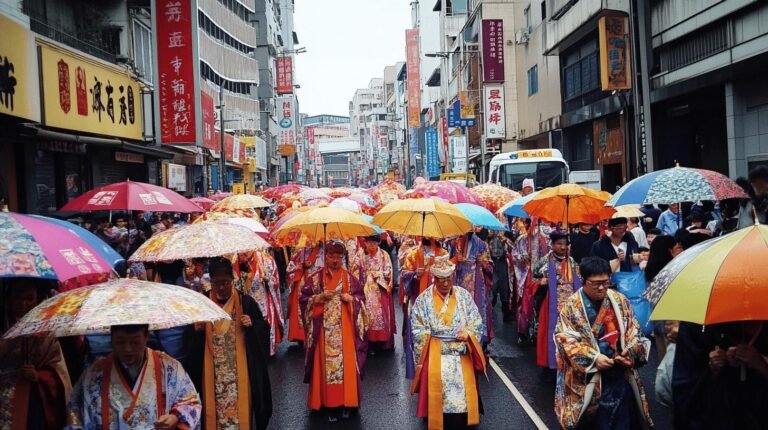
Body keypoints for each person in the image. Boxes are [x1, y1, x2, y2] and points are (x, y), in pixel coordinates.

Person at [554, 257, 654, 430]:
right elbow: (564, 339)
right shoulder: (571, 306)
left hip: (618, 373)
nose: (601, 287)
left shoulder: (620, 300)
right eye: (595, 283)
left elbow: (634, 331)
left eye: (606, 282)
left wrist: (630, 354)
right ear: (583, 280)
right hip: (587, 378)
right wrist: (594, 358)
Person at [183, 257, 273, 430]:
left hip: (240, 372)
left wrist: (253, 325)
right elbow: (187, 340)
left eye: (225, 282)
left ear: (233, 279)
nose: (222, 287)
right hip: (212, 373)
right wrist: (195, 330)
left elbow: (264, 329)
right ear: (211, 281)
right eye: (217, 283)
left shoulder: (245, 302)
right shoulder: (202, 303)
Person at [66, 324, 201, 429]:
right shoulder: (94, 374)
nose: (127, 349)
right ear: (111, 338)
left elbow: (191, 402)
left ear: (146, 336)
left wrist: (175, 417)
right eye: (120, 342)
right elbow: (75, 414)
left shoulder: (168, 367)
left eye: (135, 342)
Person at [410, 256, 486, 430]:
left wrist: (468, 333)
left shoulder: (463, 295)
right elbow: (417, 328)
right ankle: (435, 415)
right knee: (438, 388)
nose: (445, 284)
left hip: (461, 350)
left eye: (448, 279)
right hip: (436, 351)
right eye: (441, 279)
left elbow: (476, 320)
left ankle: (464, 415)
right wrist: (430, 340)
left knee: (462, 392)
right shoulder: (423, 300)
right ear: (434, 278)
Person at [300, 240, 367, 423]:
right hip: (323, 330)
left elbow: (361, 299)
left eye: (338, 256)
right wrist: (319, 297)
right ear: (326, 257)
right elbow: (304, 299)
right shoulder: (315, 279)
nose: (335, 260)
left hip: (344, 329)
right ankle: (328, 403)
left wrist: (351, 300)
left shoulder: (349, 278)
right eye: (331, 256)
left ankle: (347, 402)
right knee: (326, 365)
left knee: (345, 366)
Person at [1, 280, 72, 430]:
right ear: (8, 299)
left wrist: (38, 376)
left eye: (29, 298)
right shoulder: (4, 326)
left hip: (33, 399)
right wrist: (12, 339)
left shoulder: (46, 330)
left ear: (37, 299)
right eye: (17, 298)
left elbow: (58, 372)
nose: (22, 304)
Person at [672, 321, 768, 429]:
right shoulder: (698, 326)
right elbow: (687, 381)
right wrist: (716, 366)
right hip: (719, 412)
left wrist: (760, 364)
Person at [532, 230, 582, 370]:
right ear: (552, 245)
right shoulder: (544, 261)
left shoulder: (572, 262)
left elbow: (581, 279)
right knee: (552, 334)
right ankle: (550, 364)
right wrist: (541, 282)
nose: (562, 247)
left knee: (570, 333)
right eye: (559, 244)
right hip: (551, 304)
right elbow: (532, 280)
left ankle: (569, 361)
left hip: (571, 303)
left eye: (565, 244)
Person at [400, 237, 448, 378]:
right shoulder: (413, 254)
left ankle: (439, 366)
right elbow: (404, 274)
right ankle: (420, 369)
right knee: (419, 335)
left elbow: (450, 276)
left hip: (438, 299)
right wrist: (415, 275)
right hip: (418, 299)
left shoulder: (443, 253)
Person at [352, 234, 396, 352]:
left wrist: (379, 275)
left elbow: (388, 271)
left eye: (374, 242)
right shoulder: (360, 254)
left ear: (378, 243)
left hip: (379, 288)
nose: (371, 244)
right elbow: (354, 270)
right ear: (365, 243)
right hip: (365, 289)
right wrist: (363, 273)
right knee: (367, 315)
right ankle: (369, 342)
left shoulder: (383, 255)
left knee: (382, 316)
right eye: (369, 242)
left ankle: (382, 342)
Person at [237, 251, 285, 356]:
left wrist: (268, 280)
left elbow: (275, 281)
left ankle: (266, 348)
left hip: (263, 298)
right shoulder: (236, 261)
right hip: (247, 301)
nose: (244, 253)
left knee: (263, 324)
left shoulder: (266, 260)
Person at [451, 231, 494, 346]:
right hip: (459, 281)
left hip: (476, 281)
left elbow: (490, 267)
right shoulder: (455, 243)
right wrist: (456, 259)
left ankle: (477, 339)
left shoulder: (482, 244)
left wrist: (483, 263)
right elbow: (447, 265)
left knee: (476, 310)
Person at [285, 244, 325, 343]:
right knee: (301, 306)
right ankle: (301, 336)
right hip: (302, 282)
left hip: (317, 283)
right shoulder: (300, 252)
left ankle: (318, 333)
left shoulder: (323, 251)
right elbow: (289, 269)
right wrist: (301, 266)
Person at [489, 230, 514, 322]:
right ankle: (490, 314)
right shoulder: (489, 237)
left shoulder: (505, 238)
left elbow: (513, 249)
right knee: (493, 289)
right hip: (493, 264)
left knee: (504, 289)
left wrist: (506, 242)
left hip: (503, 263)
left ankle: (506, 314)